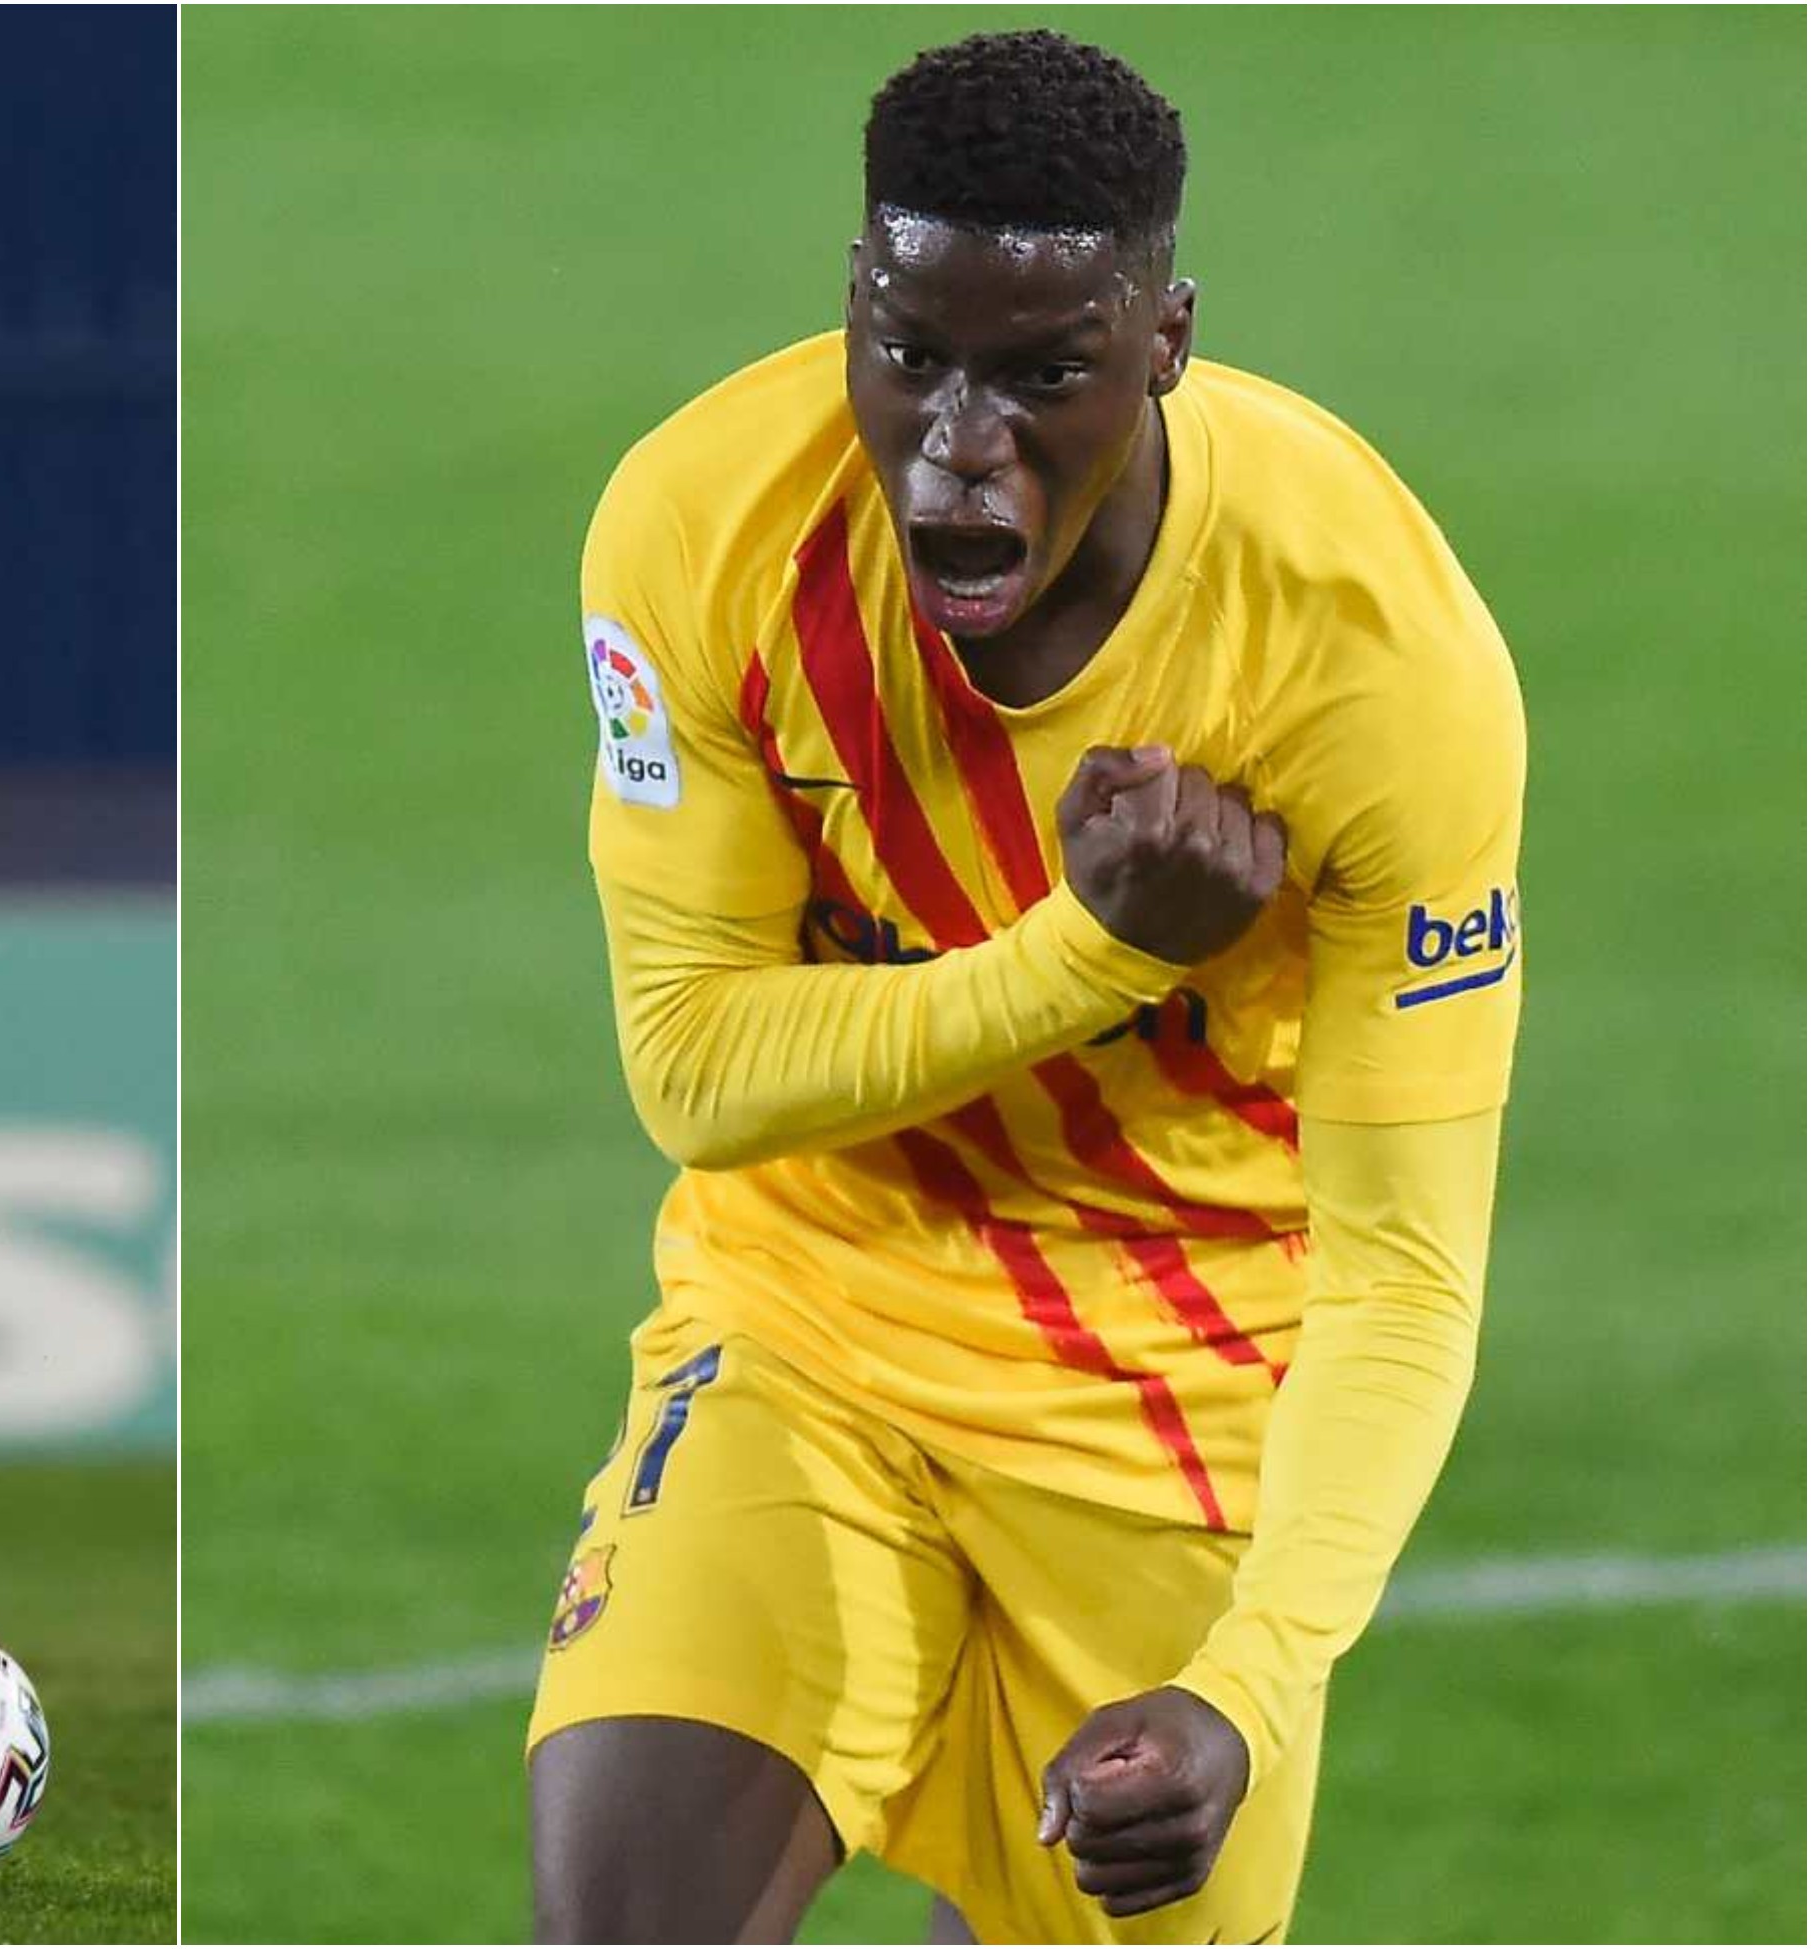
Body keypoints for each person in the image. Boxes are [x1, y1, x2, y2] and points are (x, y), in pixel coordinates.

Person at [526, 29, 1522, 1945]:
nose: (959, 442)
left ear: (1164, 338)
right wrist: (1097, 953)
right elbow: (695, 1065)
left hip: (1181, 1393)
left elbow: (1406, 1272)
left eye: (1043, 375)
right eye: (911, 355)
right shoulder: (702, 526)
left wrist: (1250, 1683)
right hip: (809, 1317)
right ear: (854, 304)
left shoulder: (1371, 655)